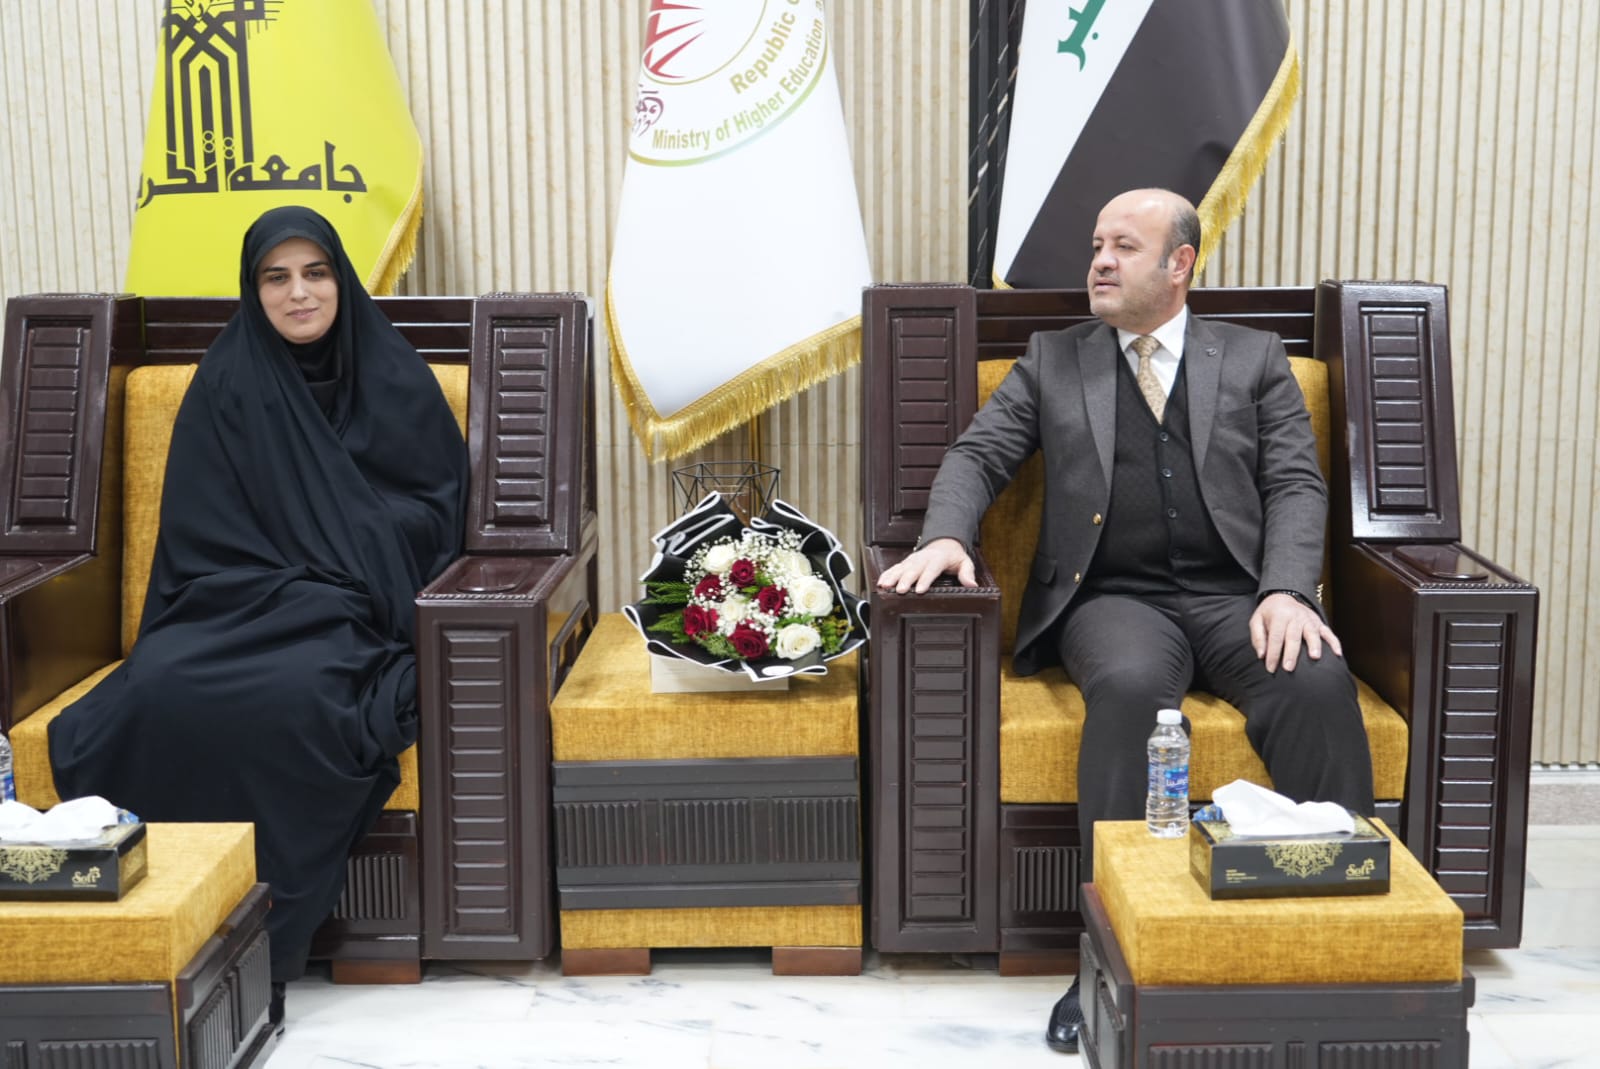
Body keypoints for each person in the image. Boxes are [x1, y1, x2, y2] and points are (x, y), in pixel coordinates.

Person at [877, 189, 1374, 1054]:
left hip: (1238, 597)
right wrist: (947, 534)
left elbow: (1297, 482)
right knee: (1135, 691)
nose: (1100, 261)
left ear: (1180, 264)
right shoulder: (1054, 358)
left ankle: (1339, 950)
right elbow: (978, 454)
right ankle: (1103, 960)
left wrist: (1289, 589)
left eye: (1124, 246)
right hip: (1111, 600)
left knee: (1317, 682)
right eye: (1096, 244)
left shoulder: (1255, 358)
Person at [49, 206, 468, 1026]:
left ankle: (261, 937)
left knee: (305, 696)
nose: (298, 293)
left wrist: (347, 531)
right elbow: (199, 531)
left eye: (315, 273)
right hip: (233, 600)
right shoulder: (228, 381)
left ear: (341, 280)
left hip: (346, 610)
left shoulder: (394, 378)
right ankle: (183, 927)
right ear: (253, 288)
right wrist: (312, 542)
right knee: (159, 688)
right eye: (277, 277)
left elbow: (438, 513)